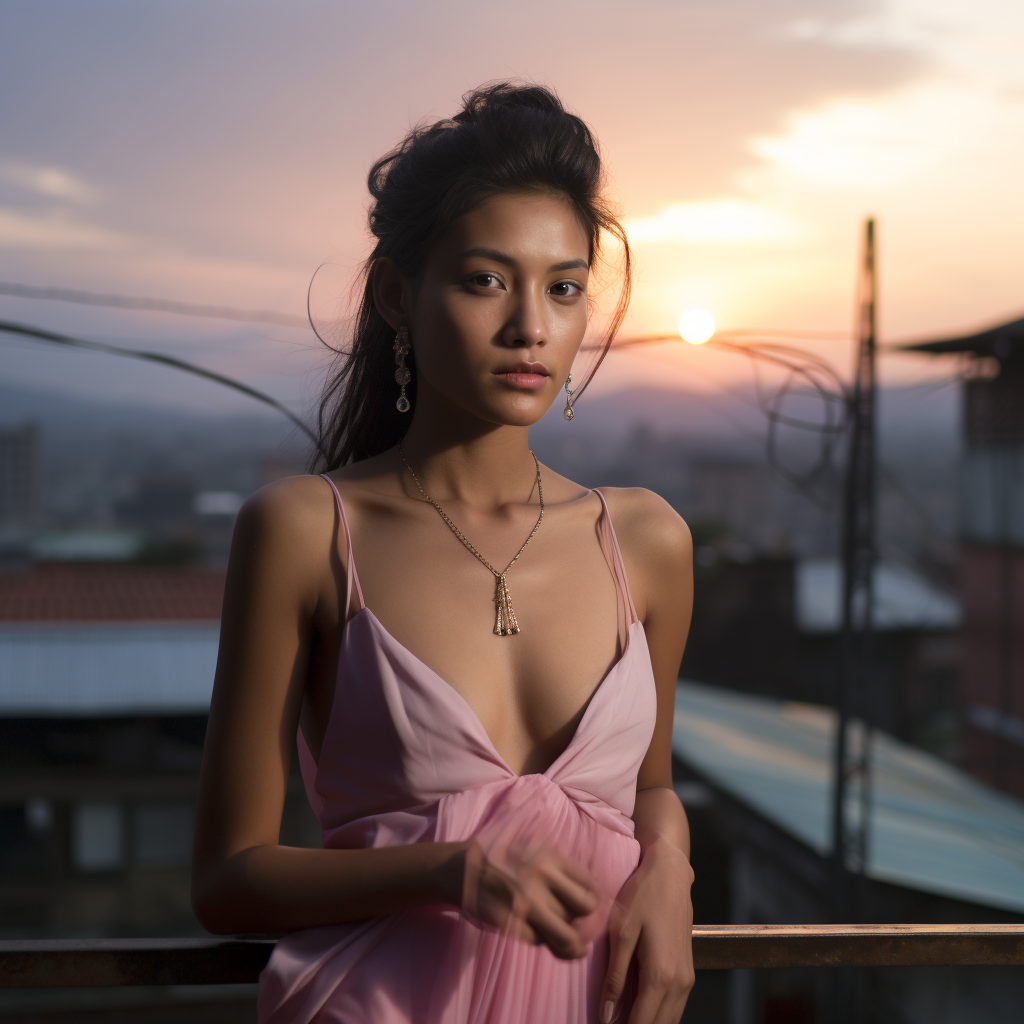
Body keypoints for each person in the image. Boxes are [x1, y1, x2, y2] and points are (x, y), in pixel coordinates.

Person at [191, 82, 695, 1024]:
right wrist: (451, 870)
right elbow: (226, 880)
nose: (530, 328)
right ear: (396, 293)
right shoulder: (306, 531)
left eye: (564, 287)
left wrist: (670, 866)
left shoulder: (648, 542)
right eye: (484, 279)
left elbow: (652, 788)